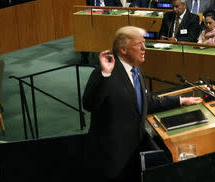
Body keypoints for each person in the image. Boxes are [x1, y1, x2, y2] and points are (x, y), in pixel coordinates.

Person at [83, 26, 202, 180]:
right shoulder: (105, 72)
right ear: (123, 50)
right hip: (112, 158)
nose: (144, 48)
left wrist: (181, 100)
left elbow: (146, 100)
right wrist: (104, 74)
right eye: (138, 44)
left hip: (134, 152)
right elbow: (89, 104)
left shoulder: (136, 70)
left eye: (144, 43)